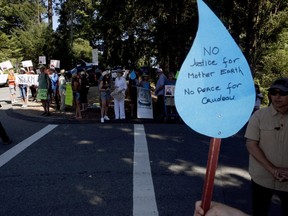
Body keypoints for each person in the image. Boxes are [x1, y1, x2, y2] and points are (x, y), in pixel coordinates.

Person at [245, 78, 288, 216]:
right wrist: (273, 169)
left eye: (282, 92)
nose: (277, 96)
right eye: (273, 92)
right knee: (259, 212)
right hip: (262, 178)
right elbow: (251, 145)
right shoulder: (258, 116)